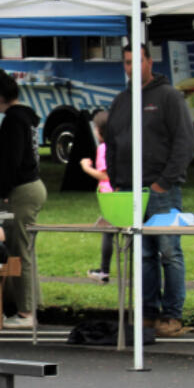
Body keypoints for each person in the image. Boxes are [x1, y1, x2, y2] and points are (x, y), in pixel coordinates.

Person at [103, 44, 194, 338]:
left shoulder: (169, 97)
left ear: (149, 62)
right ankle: (147, 313)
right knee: (143, 255)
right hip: (129, 191)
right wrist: (117, 183)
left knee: (169, 252)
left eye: (136, 61)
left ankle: (172, 315)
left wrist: (163, 182)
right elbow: (112, 145)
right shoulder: (120, 101)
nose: (131, 67)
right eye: (126, 63)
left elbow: (185, 143)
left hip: (161, 190)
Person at [0, 69, 47, 329]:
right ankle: (30, 305)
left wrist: (1, 191)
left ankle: (26, 312)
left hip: (20, 190)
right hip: (29, 187)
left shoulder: (13, 121)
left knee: (20, 251)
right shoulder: (26, 118)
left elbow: (10, 161)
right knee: (23, 249)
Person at [80, 110, 114, 283]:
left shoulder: (103, 149)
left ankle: (104, 271)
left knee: (108, 232)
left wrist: (86, 167)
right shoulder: (119, 146)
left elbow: (104, 175)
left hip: (109, 196)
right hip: (118, 194)